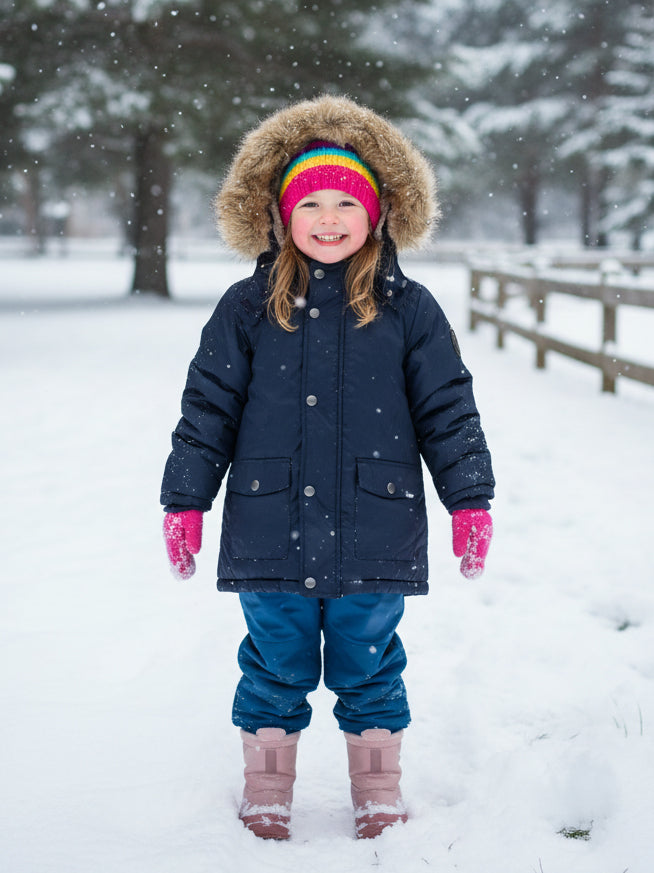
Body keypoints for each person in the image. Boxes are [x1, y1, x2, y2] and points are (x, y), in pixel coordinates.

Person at [161, 95, 495, 841]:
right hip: (269, 521)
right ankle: (267, 787)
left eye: (348, 201)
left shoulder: (409, 309)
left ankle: (376, 786)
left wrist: (469, 497)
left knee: (369, 661)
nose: (329, 217)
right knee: (274, 660)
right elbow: (208, 409)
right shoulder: (248, 307)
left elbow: (448, 408)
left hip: (376, 523)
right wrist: (185, 499)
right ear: (282, 216)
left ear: (377, 214)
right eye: (310, 202)